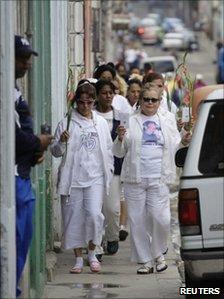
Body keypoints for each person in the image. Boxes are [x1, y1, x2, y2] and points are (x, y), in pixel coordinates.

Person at [113, 88, 181, 274]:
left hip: (160, 177)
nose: (150, 103)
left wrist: (186, 139)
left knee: (162, 218)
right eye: (146, 99)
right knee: (137, 220)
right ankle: (145, 261)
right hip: (134, 178)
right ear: (140, 101)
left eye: (154, 100)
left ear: (160, 102)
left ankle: (158, 253)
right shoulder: (130, 120)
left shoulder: (167, 120)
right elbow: (119, 152)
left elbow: (176, 144)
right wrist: (120, 138)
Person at [50, 82, 114, 274]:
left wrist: (108, 172)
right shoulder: (66, 122)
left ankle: (92, 254)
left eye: (89, 102)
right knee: (73, 219)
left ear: (94, 102)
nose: (85, 106)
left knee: (95, 215)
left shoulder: (100, 123)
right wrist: (61, 141)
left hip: (95, 178)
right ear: (75, 102)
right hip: (73, 179)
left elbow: (108, 150)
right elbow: (55, 151)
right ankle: (78, 258)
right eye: (81, 102)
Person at [15, 35, 53, 296]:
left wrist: (35, 152)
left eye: (29, 57)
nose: (27, 63)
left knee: (22, 243)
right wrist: (37, 141)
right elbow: (12, 137)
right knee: (14, 242)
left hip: (24, 176)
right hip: (14, 180)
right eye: (22, 57)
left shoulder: (14, 91)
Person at [94, 79, 124, 254]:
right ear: (98, 95)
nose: (108, 96)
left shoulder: (120, 117)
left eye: (110, 93)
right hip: (93, 168)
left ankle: (112, 237)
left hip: (114, 167)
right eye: (104, 93)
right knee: (95, 208)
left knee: (112, 208)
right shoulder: (91, 115)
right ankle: (96, 245)